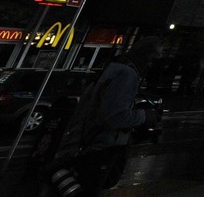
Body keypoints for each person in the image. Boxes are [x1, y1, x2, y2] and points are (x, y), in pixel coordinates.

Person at [48, 36, 162, 197]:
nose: (151, 66)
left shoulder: (112, 69)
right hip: (100, 147)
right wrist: (145, 116)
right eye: (153, 60)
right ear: (146, 56)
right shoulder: (127, 75)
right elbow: (113, 117)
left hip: (88, 142)